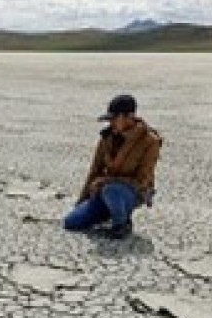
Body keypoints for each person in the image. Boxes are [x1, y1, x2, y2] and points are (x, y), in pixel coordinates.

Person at [64, 94, 162, 239]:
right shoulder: (107, 137)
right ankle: (110, 211)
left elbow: (142, 180)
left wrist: (107, 181)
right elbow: (94, 171)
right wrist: (82, 201)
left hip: (132, 193)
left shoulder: (150, 141)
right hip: (104, 192)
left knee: (112, 190)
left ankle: (121, 224)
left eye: (115, 118)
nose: (111, 123)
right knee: (72, 222)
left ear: (129, 117)